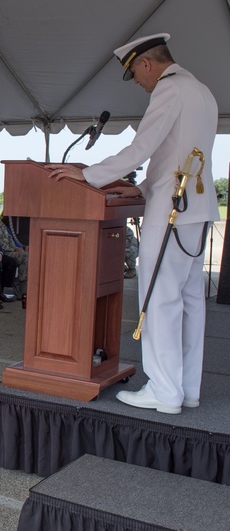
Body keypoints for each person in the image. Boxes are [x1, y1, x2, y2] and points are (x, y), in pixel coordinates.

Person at [47, 33, 217, 415]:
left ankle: (163, 389)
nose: (140, 85)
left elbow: (142, 148)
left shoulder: (170, 90)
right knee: (189, 301)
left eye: (137, 77)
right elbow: (171, 155)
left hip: (171, 210)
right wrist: (137, 186)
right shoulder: (201, 91)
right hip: (196, 207)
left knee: (159, 298)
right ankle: (186, 388)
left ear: (146, 63)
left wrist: (88, 174)